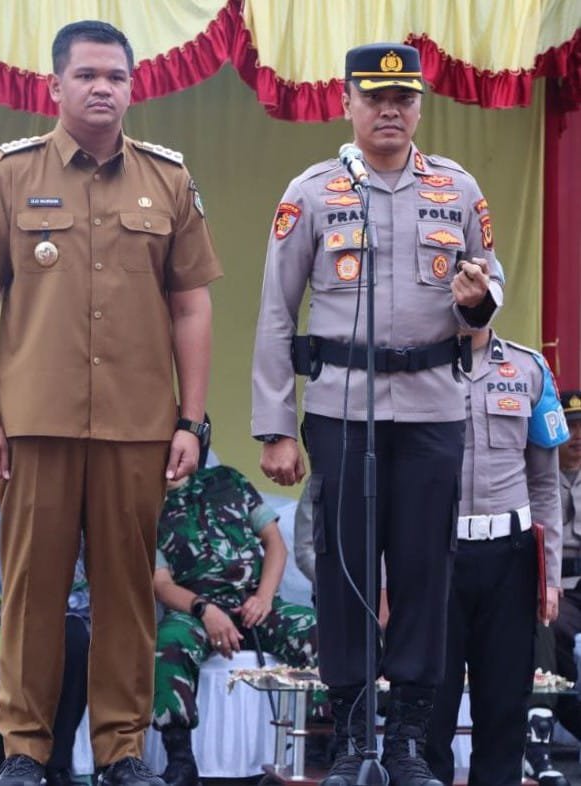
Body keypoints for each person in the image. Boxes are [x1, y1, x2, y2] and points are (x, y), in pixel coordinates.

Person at [0, 19, 222, 786]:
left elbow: (191, 306)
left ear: (132, 87)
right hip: (35, 423)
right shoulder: (10, 173)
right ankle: (25, 752)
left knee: (127, 594)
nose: (103, 88)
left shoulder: (167, 179)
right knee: (31, 593)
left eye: (116, 76)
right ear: (56, 85)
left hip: (137, 426)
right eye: (87, 75)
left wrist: (190, 420)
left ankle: (121, 751)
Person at [251, 41, 504, 786]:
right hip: (341, 408)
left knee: (425, 571)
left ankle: (409, 742)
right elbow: (276, 312)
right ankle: (354, 735)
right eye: (374, 98)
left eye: (403, 99)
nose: (389, 111)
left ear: (419, 107)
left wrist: (478, 303)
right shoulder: (313, 191)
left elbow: (488, 293)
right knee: (344, 571)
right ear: (347, 104)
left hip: (432, 408)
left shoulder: (457, 188)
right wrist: (275, 426)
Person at [424, 328, 569, 786]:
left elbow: (545, 486)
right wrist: (389, 579)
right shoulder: (418, 364)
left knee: (504, 708)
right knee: (429, 708)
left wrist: (549, 576)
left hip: (510, 556)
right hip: (435, 554)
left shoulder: (530, 368)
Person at [152, 457, 317, 786]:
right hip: (195, 611)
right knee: (169, 644)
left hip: (255, 604)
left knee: (317, 632)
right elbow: (161, 584)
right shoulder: (146, 505)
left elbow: (275, 544)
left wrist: (264, 597)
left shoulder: (229, 480)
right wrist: (203, 610)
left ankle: (317, 746)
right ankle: (180, 758)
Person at [0, 508, 90, 786]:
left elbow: (93, 579)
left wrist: (56, 606)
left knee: (78, 641)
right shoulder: (19, 503)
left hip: (65, 611)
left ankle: (56, 765)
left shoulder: (94, 513)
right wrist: (30, 598)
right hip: (2, 605)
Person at [526, 390, 581, 781]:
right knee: (545, 622)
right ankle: (539, 739)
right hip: (557, 583)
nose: (578, 437)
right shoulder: (536, 479)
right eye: (571, 427)